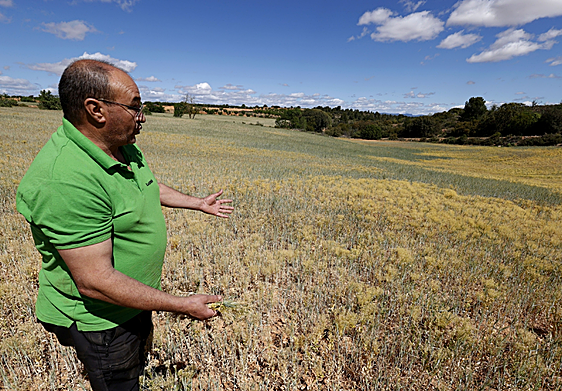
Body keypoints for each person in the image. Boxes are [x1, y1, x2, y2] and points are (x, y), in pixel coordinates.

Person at [16, 59, 234, 390]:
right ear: (95, 110)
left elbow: (147, 186)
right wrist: (180, 304)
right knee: (120, 383)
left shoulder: (120, 148)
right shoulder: (65, 180)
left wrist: (197, 203)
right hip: (101, 322)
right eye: (134, 107)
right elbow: (96, 282)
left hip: (131, 303)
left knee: (134, 366)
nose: (142, 116)